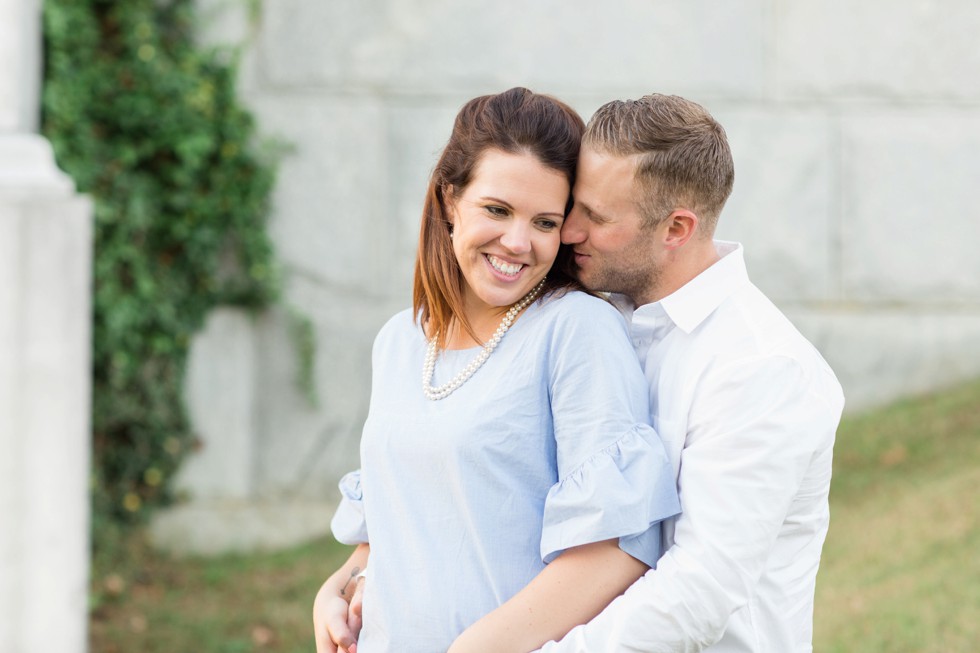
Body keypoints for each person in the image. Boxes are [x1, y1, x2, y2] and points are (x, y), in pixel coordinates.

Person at [312, 87, 680, 653]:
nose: (518, 242)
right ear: (449, 201)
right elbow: (401, 519)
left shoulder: (575, 330)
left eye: (544, 221)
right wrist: (337, 588)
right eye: (497, 209)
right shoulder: (401, 340)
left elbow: (616, 551)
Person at [533, 94, 846, 651]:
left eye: (597, 217)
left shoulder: (763, 369)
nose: (569, 230)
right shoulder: (594, 322)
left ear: (676, 228)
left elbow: (697, 592)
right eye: (572, 206)